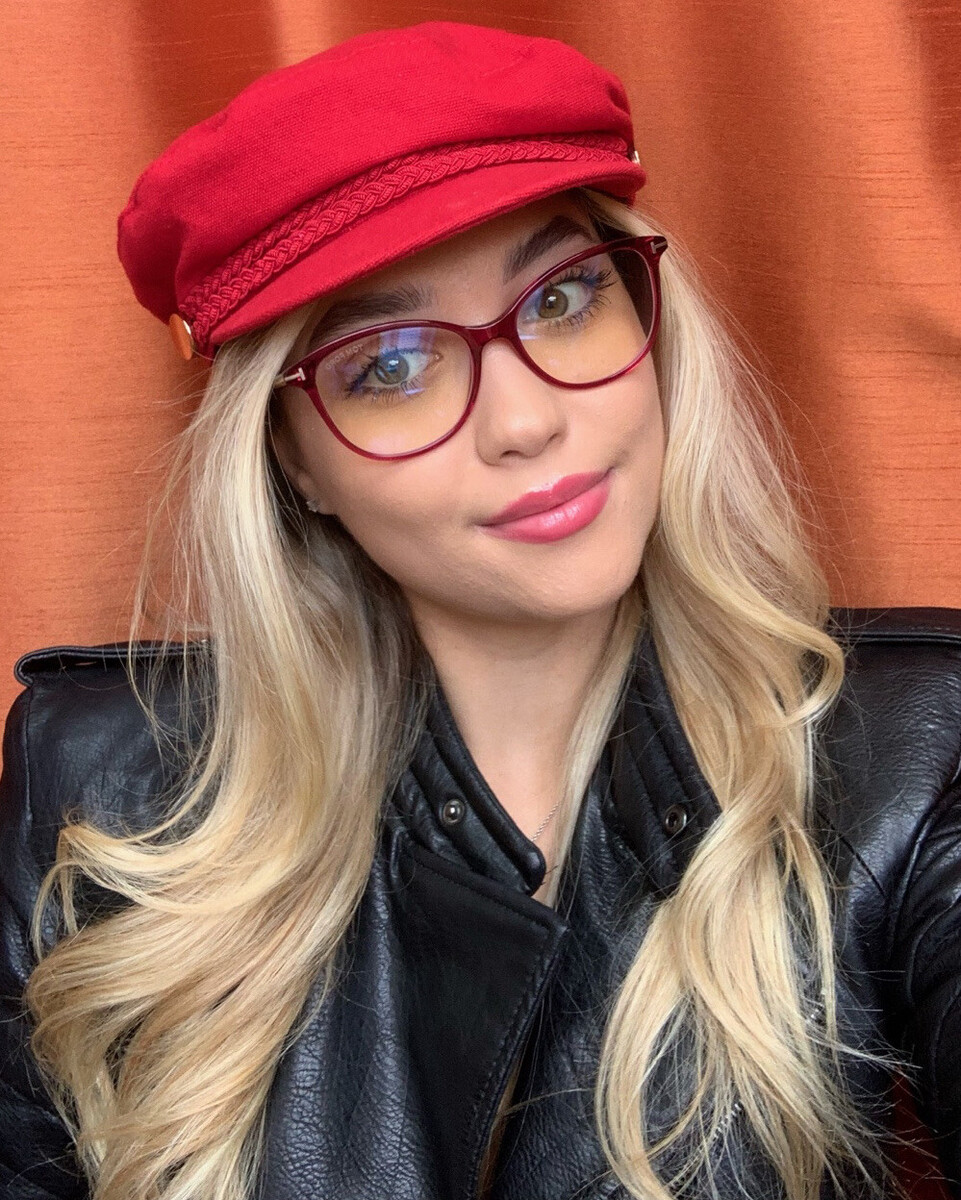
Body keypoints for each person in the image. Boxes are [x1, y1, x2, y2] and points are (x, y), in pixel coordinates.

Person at [1, 19, 959, 1200]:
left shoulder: (910, 761)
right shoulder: (99, 797)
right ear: (294, 462)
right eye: (391, 365)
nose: (525, 422)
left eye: (563, 298)